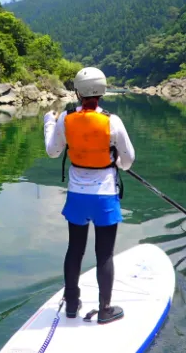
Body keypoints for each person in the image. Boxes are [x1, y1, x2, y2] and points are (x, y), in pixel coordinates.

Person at [43, 67, 135, 325]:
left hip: (77, 195)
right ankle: (104, 310)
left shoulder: (65, 119)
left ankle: (71, 304)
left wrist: (48, 122)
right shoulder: (112, 121)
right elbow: (128, 161)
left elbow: (52, 151)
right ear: (103, 90)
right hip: (104, 195)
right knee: (104, 254)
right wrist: (116, 160)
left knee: (75, 249)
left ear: (78, 92)